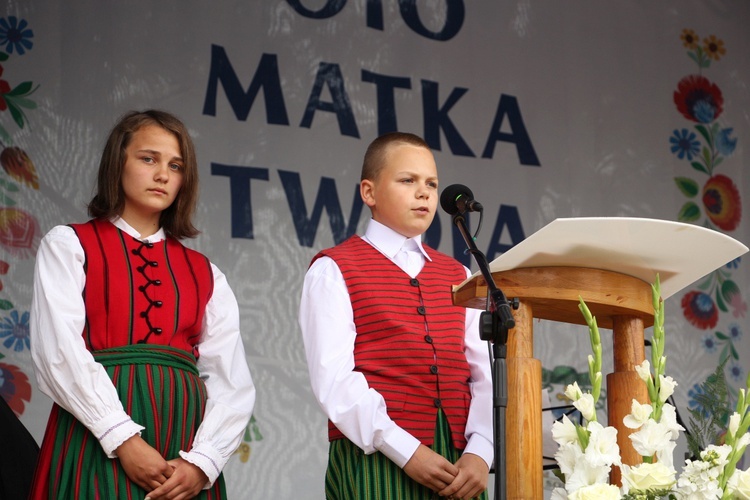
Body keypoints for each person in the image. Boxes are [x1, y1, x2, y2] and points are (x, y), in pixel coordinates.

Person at [29, 110, 255, 499]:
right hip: (95, 436)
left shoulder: (207, 273)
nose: (163, 174)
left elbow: (231, 380)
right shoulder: (69, 245)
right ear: (119, 162)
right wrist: (121, 438)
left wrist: (203, 461)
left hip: (183, 448)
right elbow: (58, 352)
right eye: (148, 158)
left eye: (176, 165)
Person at [299, 132, 493, 499]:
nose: (424, 193)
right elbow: (334, 380)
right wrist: (406, 450)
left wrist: (481, 452)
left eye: (431, 184)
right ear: (369, 192)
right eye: (408, 180)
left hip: (458, 461)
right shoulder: (334, 268)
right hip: (377, 456)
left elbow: (483, 371)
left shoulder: (458, 276)